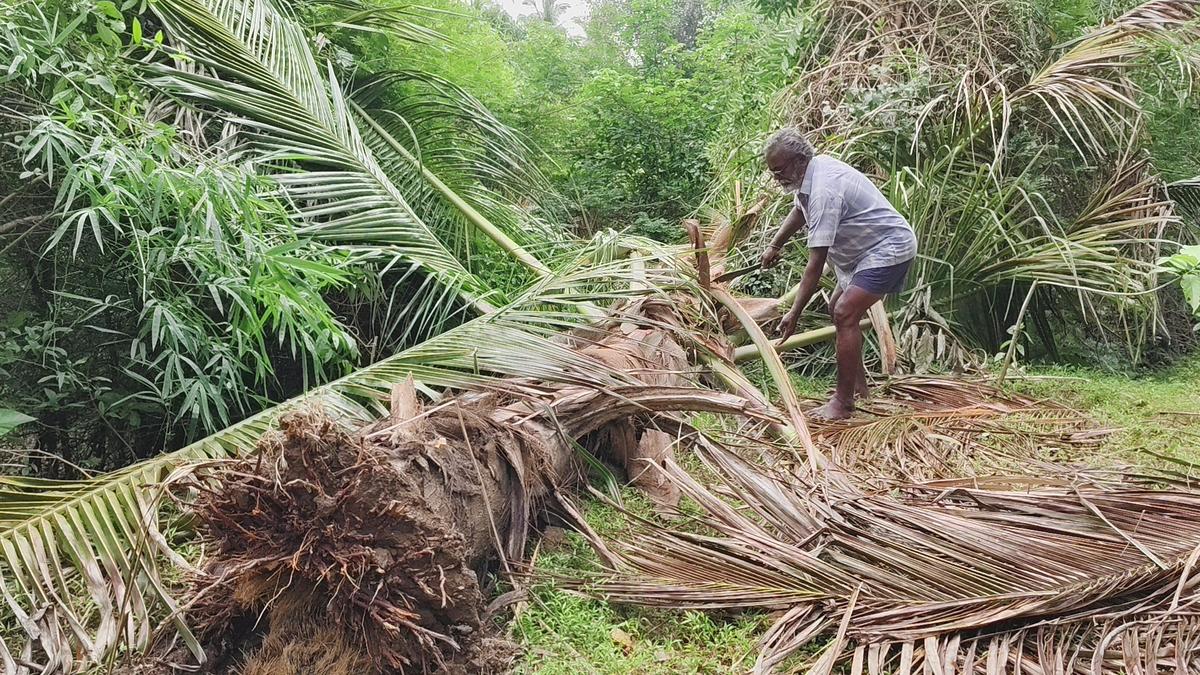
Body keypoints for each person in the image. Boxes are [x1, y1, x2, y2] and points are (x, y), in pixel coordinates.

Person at [760, 128, 917, 420]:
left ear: (798, 161)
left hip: (888, 248)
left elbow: (815, 264)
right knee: (837, 309)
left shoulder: (824, 190)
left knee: (844, 313)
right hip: (861, 253)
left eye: (779, 170)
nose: (775, 177)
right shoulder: (811, 174)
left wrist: (793, 314)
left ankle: (843, 403)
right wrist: (774, 245)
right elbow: (798, 211)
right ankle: (859, 390)